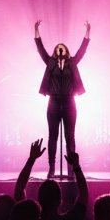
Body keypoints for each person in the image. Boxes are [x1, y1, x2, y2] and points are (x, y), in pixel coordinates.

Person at [34, 19, 91, 178]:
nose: (60, 49)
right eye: (57, 48)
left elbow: (82, 50)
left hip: (69, 102)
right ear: (55, 51)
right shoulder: (50, 62)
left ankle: (72, 170)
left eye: (62, 48)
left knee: (69, 137)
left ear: (65, 51)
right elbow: (40, 49)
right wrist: (36, 31)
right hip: (53, 102)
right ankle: (52, 168)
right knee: (53, 135)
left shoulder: (72, 62)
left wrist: (87, 32)